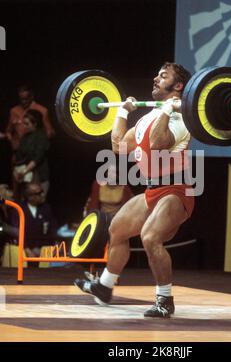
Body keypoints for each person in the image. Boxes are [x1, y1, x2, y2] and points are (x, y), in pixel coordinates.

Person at [75, 62, 194, 318]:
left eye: (163, 76)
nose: (155, 78)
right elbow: (118, 146)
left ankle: (165, 300)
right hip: (153, 190)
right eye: (157, 74)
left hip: (176, 190)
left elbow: (158, 144)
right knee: (116, 229)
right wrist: (122, 112)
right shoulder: (150, 116)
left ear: (178, 86)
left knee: (150, 238)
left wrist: (166, 110)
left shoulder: (183, 117)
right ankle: (105, 286)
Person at [11, 182, 57, 258]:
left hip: (44, 252)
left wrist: (46, 249)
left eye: (42, 191)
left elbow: (52, 230)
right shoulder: (19, 209)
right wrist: (27, 250)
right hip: (24, 252)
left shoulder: (46, 209)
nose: (43, 195)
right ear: (30, 196)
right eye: (39, 193)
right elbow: (17, 232)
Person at [13, 109, 50, 199]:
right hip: (25, 178)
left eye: (27, 124)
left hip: (39, 176)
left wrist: (24, 171)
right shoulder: (25, 137)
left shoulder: (41, 137)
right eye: (24, 123)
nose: (24, 126)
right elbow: (19, 156)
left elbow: (38, 157)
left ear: (35, 124)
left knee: (37, 200)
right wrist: (17, 171)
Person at [5, 85, 55, 150]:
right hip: (18, 151)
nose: (23, 102)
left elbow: (50, 132)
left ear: (32, 97)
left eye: (26, 99)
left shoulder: (42, 110)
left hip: (34, 150)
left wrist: (40, 142)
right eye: (21, 99)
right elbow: (8, 131)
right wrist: (12, 141)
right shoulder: (13, 111)